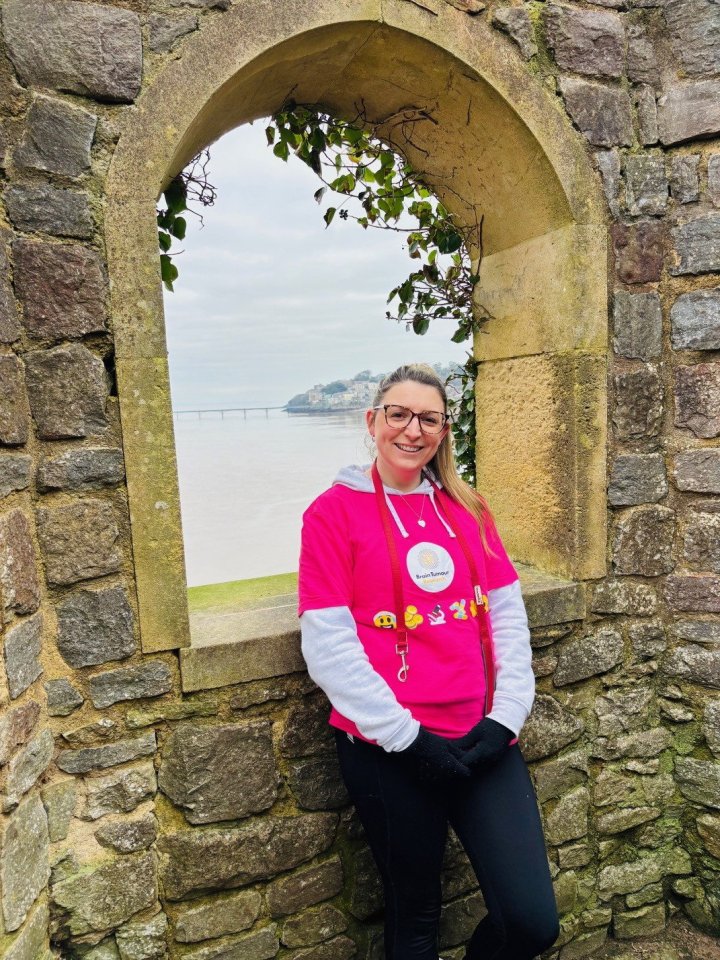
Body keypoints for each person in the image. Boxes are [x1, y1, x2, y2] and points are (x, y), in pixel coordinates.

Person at [298, 363, 559, 960]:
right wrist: (406, 739)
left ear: (444, 432)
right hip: (390, 751)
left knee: (530, 922)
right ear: (373, 421)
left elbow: (507, 616)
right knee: (414, 916)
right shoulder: (332, 514)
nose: (412, 430)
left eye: (429, 419)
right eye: (399, 414)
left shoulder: (468, 509)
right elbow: (328, 642)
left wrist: (507, 717)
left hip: (482, 741)